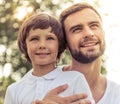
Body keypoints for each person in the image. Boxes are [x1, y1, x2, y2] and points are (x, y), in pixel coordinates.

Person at [32, 2, 120, 104]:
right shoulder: (41, 85)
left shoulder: (117, 94)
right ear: (65, 44)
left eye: (94, 26)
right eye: (77, 29)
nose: (89, 33)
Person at [4, 12, 95, 104]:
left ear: (59, 45)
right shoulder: (14, 90)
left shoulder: (75, 79)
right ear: (25, 45)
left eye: (50, 38)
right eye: (34, 39)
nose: (42, 45)